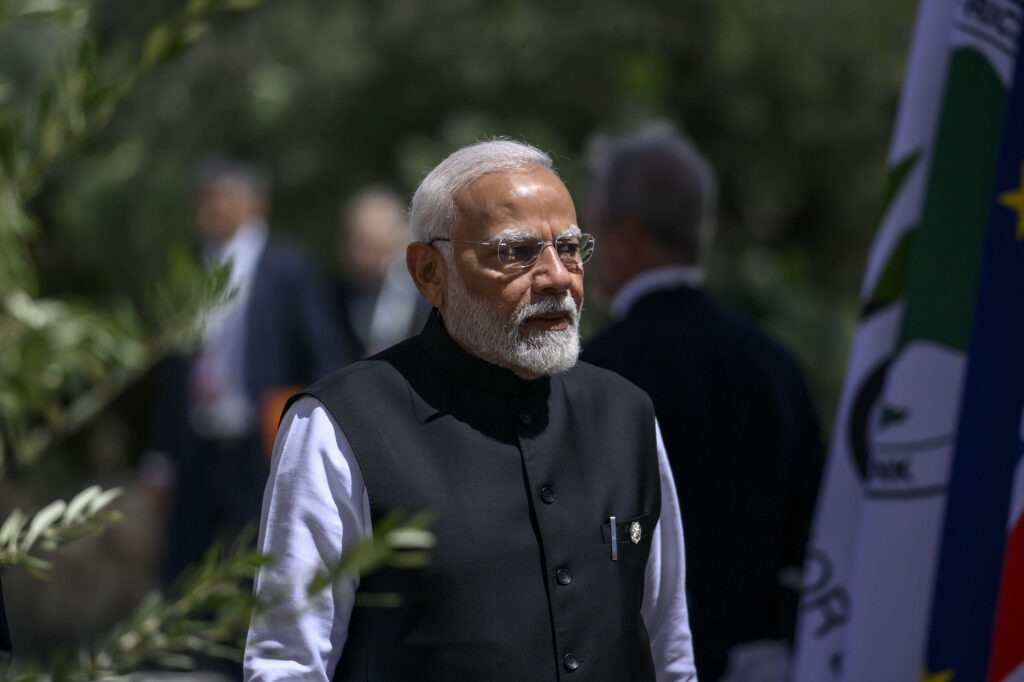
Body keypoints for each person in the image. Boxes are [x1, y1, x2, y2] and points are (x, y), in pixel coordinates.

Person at [244, 139, 697, 681]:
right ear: (430, 273)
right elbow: (288, 663)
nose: (556, 276)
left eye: (570, 248)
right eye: (516, 252)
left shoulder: (625, 415)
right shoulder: (340, 426)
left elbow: (667, 646)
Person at [581, 129, 824, 682]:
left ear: (629, 235)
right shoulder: (774, 363)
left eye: (594, 236)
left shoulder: (596, 374)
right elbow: (812, 528)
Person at [147, 155, 354, 585]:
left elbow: (324, 355)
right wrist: (161, 452)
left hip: (260, 445)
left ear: (256, 205)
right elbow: (171, 367)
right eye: (205, 200)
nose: (212, 210)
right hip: (196, 446)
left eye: (224, 199)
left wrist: (313, 435)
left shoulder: (287, 269)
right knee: (183, 572)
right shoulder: (189, 265)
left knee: (261, 568)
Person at [334, 186, 430, 357]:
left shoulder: (426, 293)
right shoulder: (334, 298)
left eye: (373, 245)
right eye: (357, 243)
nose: (361, 255)